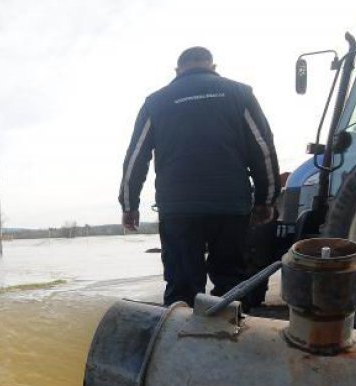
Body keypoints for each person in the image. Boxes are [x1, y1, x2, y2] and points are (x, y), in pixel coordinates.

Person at [118, 46, 280, 308]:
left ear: (177, 70)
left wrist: (129, 205)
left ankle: (181, 342)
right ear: (213, 67)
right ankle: (231, 341)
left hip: (178, 209)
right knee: (231, 281)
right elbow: (262, 148)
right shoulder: (240, 94)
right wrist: (266, 199)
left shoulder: (155, 102)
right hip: (230, 205)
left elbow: (136, 157)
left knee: (182, 286)